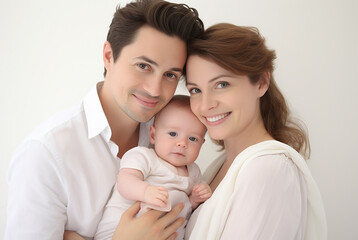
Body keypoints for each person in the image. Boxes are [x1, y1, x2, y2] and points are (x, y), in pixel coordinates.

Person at [5, 0, 204, 239]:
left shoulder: (174, 136)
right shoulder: (45, 154)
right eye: (143, 65)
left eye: (170, 75)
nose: (154, 89)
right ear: (109, 56)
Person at [183, 23, 327, 239]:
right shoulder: (222, 166)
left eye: (221, 84)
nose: (205, 105)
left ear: (261, 82)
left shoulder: (268, 170)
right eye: (195, 90)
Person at [94, 95, 211, 240]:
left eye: (193, 138)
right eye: (173, 134)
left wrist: (194, 199)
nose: (182, 143)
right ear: (153, 135)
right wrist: (145, 191)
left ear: (202, 143)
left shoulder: (194, 172)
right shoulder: (143, 157)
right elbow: (124, 182)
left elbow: (184, 207)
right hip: (117, 232)